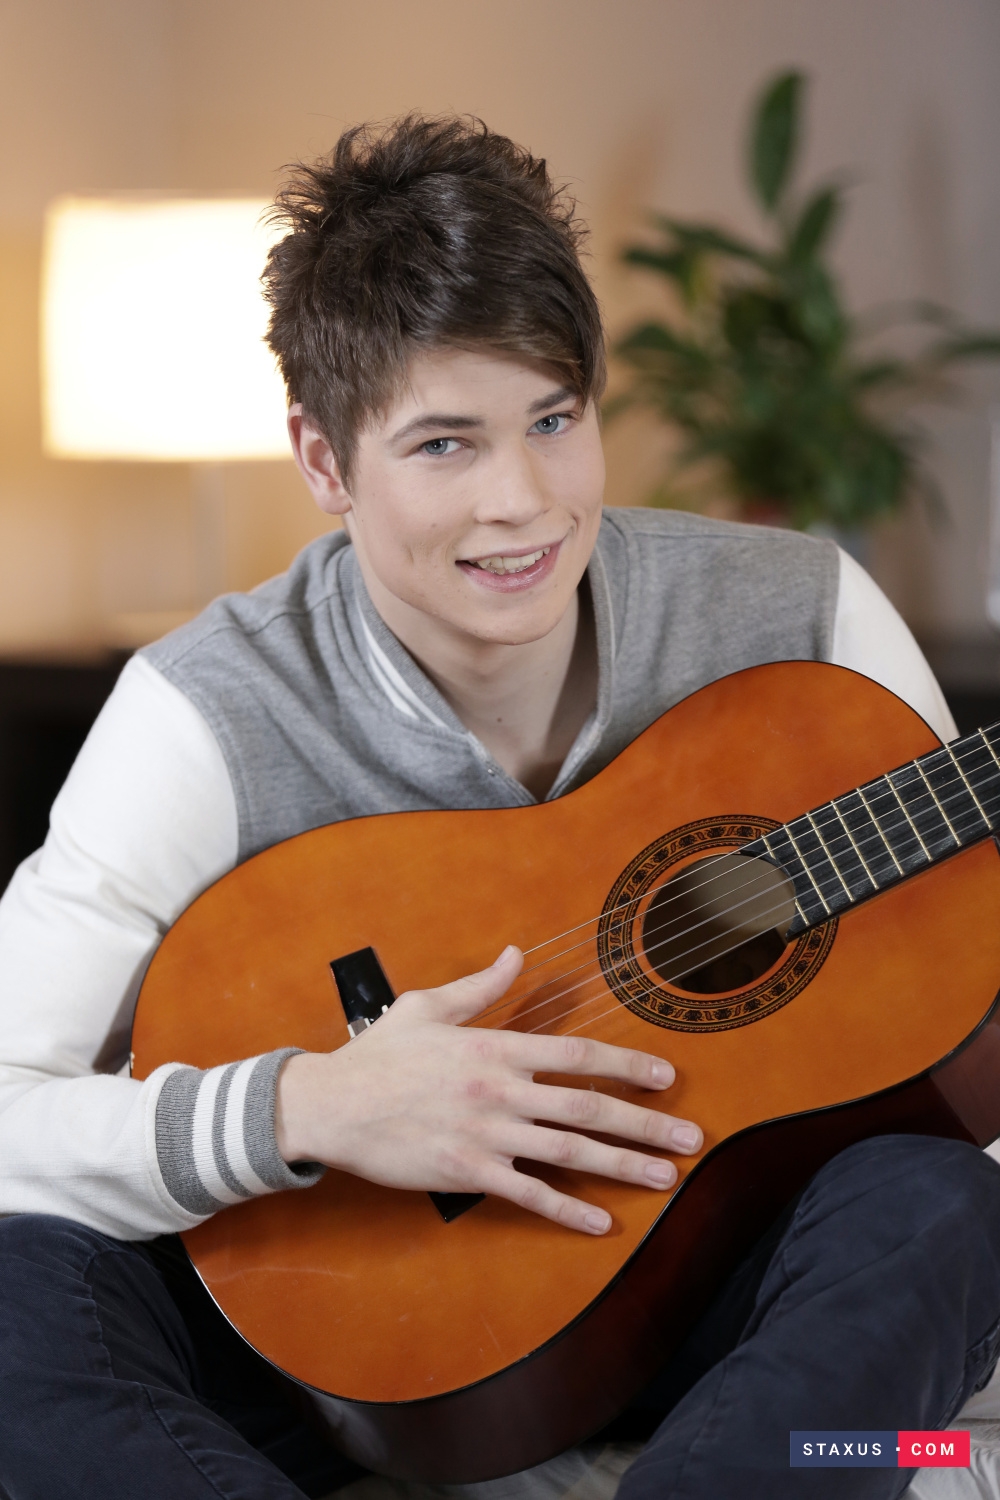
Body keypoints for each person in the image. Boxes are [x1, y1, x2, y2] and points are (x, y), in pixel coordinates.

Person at [0, 114, 998, 1500]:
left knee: (943, 1207)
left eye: (553, 420)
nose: (521, 502)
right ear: (324, 461)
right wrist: (312, 1103)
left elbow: (960, 982)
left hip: (718, 1294)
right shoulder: (203, 710)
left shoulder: (803, 613)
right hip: (334, 1340)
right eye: (444, 444)